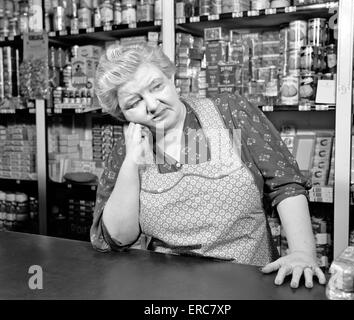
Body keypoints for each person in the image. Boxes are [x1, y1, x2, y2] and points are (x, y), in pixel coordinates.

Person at [90, 43, 326, 289]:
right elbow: (116, 238)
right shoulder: (127, 149)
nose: (152, 104)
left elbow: (285, 183)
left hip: (251, 282)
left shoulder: (227, 114)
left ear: (171, 78)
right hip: (167, 288)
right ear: (121, 113)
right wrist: (131, 163)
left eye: (157, 86)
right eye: (133, 102)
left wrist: (302, 252)